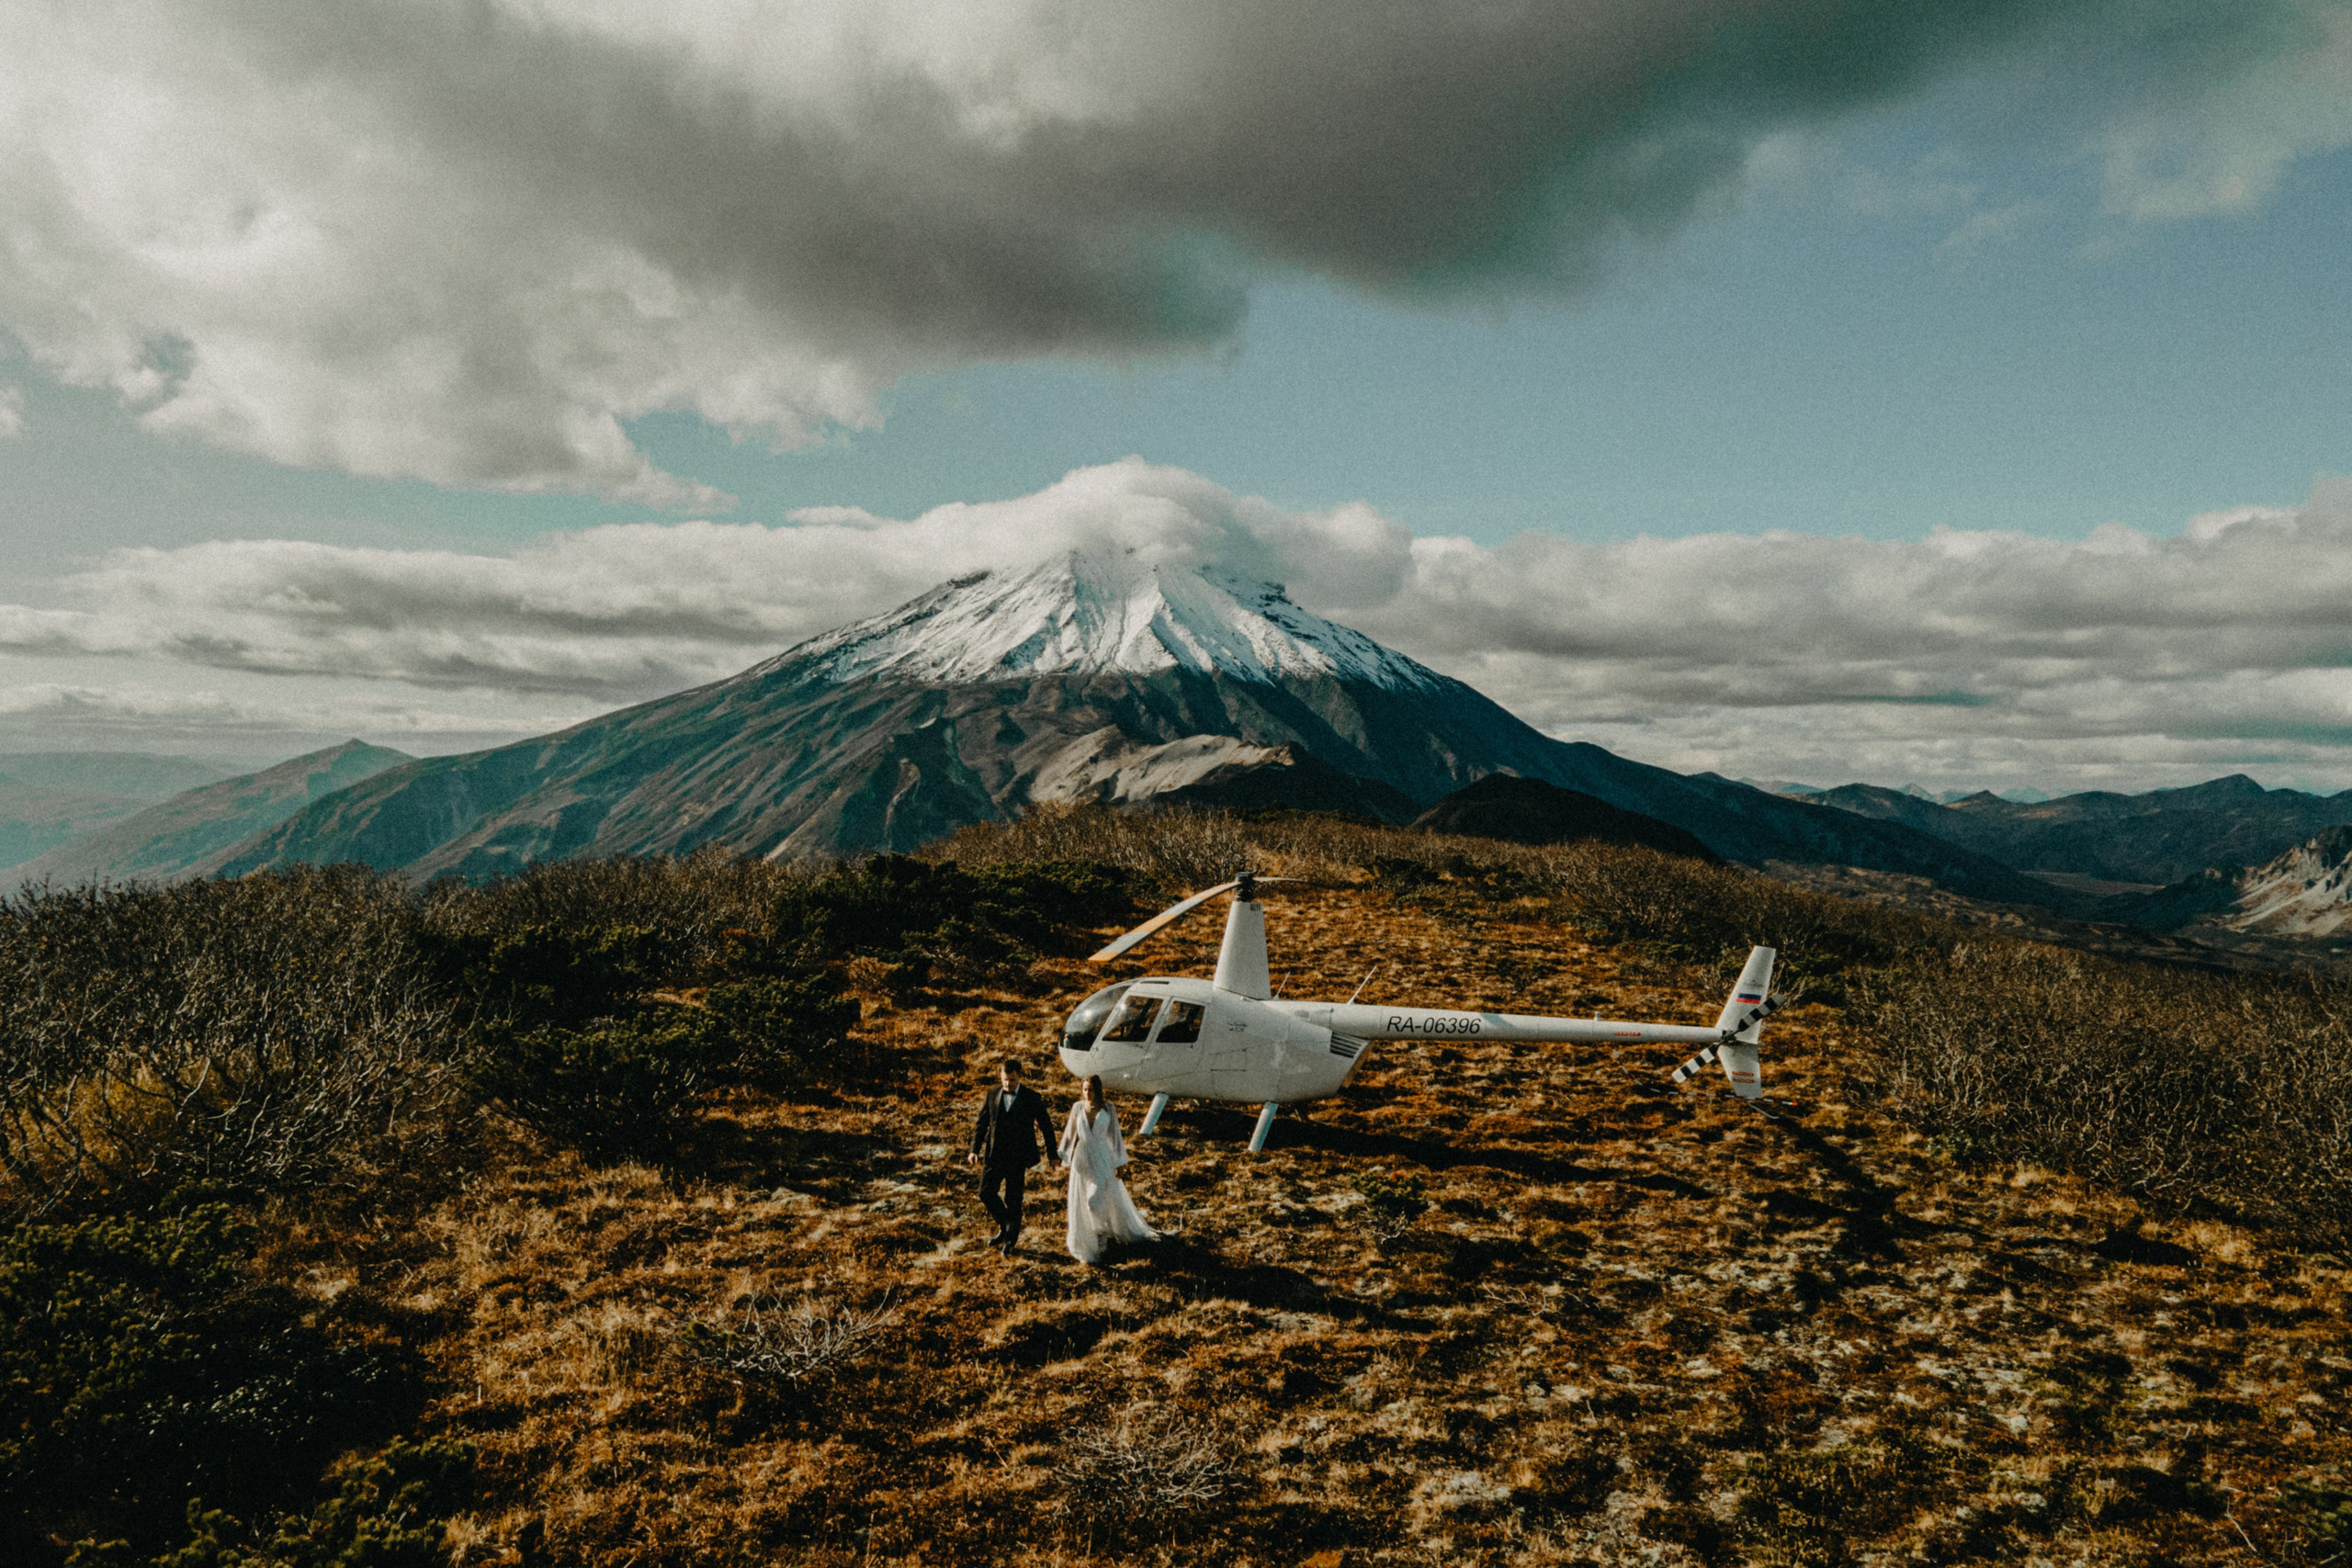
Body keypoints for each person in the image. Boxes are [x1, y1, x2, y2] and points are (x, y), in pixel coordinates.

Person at [1059, 1074, 1159, 1265]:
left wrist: (1119, 1162)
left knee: (1094, 1201)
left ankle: (1102, 1235)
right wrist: (1061, 1156)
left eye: (1092, 1089)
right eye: (1085, 1089)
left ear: (1098, 1090)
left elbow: (1115, 1138)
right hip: (1082, 1159)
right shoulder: (1077, 1108)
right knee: (1082, 1201)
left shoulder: (1108, 1109)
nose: (1088, 1093)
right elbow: (1069, 1135)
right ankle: (1089, 1240)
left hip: (1102, 1157)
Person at [967, 1057, 1060, 1256]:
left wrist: (1053, 1155)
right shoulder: (992, 1094)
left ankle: (1010, 1240)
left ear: (1020, 1077)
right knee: (985, 1192)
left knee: (1014, 1199)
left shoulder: (1031, 1097)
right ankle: (1006, 1224)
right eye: (1005, 1080)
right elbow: (982, 1123)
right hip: (994, 1155)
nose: (1008, 1084)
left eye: (1012, 1080)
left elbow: (1046, 1127)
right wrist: (974, 1150)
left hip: (1018, 1157)